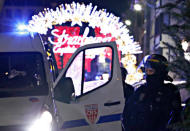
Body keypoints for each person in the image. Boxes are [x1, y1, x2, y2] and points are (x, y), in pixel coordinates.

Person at [122, 54, 182, 131]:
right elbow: (127, 114)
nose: (147, 74)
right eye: (146, 71)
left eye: (150, 71)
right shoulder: (141, 90)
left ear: (159, 72)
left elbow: (178, 116)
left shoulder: (170, 90)